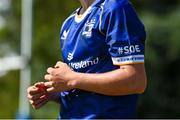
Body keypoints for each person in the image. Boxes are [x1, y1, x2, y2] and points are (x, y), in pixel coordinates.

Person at [27, 0, 147, 119]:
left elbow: (136, 80)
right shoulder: (68, 23)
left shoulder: (115, 8)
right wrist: (55, 91)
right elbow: (82, 83)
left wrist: (72, 79)